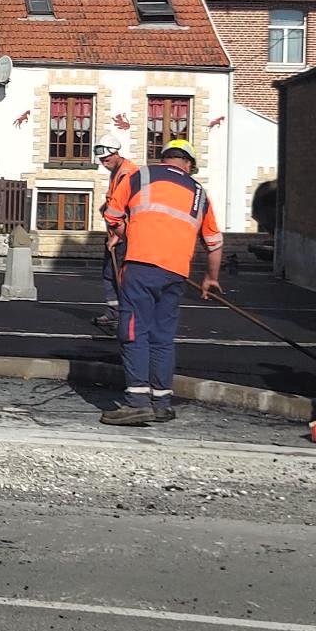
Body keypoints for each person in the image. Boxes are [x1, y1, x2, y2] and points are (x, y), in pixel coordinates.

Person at [99, 139, 222, 426]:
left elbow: (113, 216)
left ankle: (137, 402)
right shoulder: (199, 192)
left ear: (164, 158)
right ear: (188, 164)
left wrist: (122, 233)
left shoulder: (140, 176)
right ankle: (162, 402)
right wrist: (211, 278)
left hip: (141, 267)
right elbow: (214, 244)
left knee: (133, 332)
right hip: (176, 272)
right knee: (162, 337)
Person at [94, 137, 142, 331]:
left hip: (125, 233)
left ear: (116, 153)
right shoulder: (117, 171)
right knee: (110, 274)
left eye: (106, 159)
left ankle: (126, 315)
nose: (104, 163)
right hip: (117, 231)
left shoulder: (127, 173)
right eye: (101, 160)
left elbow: (123, 209)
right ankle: (114, 312)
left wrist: (118, 236)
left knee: (121, 275)